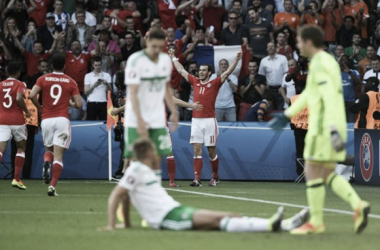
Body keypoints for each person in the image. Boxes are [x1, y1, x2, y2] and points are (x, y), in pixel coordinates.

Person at [269, 25, 370, 235]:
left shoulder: (322, 64)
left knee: (313, 172)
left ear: (308, 42)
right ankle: (357, 205)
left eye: (298, 41)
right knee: (325, 173)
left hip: (324, 128)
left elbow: (330, 97)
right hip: (327, 126)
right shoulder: (322, 62)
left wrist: (333, 130)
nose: (297, 45)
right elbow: (308, 95)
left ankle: (316, 222)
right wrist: (288, 114)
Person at [100, 138, 309, 232]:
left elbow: (125, 198)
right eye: (154, 152)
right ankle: (279, 225)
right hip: (169, 218)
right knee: (222, 219)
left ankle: (279, 225)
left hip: (175, 210)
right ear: (146, 154)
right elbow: (116, 196)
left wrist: (126, 224)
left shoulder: (143, 171)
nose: (158, 155)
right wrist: (112, 225)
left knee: (227, 217)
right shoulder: (136, 169)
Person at [171, 48, 242, 187]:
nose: (201, 72)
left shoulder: (214, 83)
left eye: (204, 70)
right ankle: (197, 179)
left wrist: (237, 60)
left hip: (209, 121)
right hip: (196, 121)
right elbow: (181, 70)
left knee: (211, 151)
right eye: (200, 70)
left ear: (209, 73)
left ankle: (215, 176)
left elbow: (227, 72)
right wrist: (173, 56)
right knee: (196, 149)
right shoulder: (195, 81)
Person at [123, 28, 178, 179]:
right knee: (136, 161)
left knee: (156, 160)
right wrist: (140, 120)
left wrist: (174, 111)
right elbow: (133, 93)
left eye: (161, 47)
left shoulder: (165, 60)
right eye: (154, 47)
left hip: (157, 118)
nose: (157, 51)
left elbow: (166, 87)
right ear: (147, 42)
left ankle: (149, 196)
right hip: (136, 118)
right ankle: (125, 198)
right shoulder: (135, 60)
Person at [29, 54, 82, 196]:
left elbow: (31, 95)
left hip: (46, 119)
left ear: (51, 66)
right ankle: (52, 187)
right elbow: (79, 104)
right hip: (62, 120)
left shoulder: (42, 79)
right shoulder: (70, 81)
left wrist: (39, 108)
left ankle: (46, 162)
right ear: (64, 66)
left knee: (49, 151)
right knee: (59, 157)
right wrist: (69, 103)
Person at [0, 62, 31, 190]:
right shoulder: (21, 84)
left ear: (7, 72)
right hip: (17, 120)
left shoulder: (0, 85)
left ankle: (17, 179)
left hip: (2, 120)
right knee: (21, 148)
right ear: (18, 73)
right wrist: (27, 111)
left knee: (1, 150)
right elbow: (19, 98)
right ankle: (17, 179)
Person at [259, 42, 289, 110]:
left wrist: (283, 86)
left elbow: (286, 73)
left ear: (275, 48)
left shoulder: (283, 58)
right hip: (269, 90)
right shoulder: (263, 61)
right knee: (270, 111)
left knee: (280, 110)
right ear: (266, 49)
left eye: (272, 46)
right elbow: (261, 76)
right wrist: (265, 84)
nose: (270, 48)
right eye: (269, 46)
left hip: (281, 90)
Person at [289, 80, 308, 176]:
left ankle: (301, 173)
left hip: (298, 129)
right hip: (310, 128)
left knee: (300, 152)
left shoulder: (292, 99)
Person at [84, 56, 112, 121]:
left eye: (99, 65)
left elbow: (110, 91)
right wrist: (94, 85)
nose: (97, 67)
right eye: (96, 65)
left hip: (103, 102)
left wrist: (106, 83)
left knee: (103, 123)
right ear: (93, 65)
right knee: (90, 123)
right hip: (91, 102)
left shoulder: (107, 75)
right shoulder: (88, 76)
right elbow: (86, 91)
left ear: (101, 65)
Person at [339, 55, 360, 122]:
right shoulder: (336, 72)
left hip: (350, 101)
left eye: (346, 59)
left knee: (350, 122)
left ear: (348, 61)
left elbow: (358, 81)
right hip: (339, 101)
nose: (344, 61)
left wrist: (349, 72)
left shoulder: (354, 72)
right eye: (342, 60)